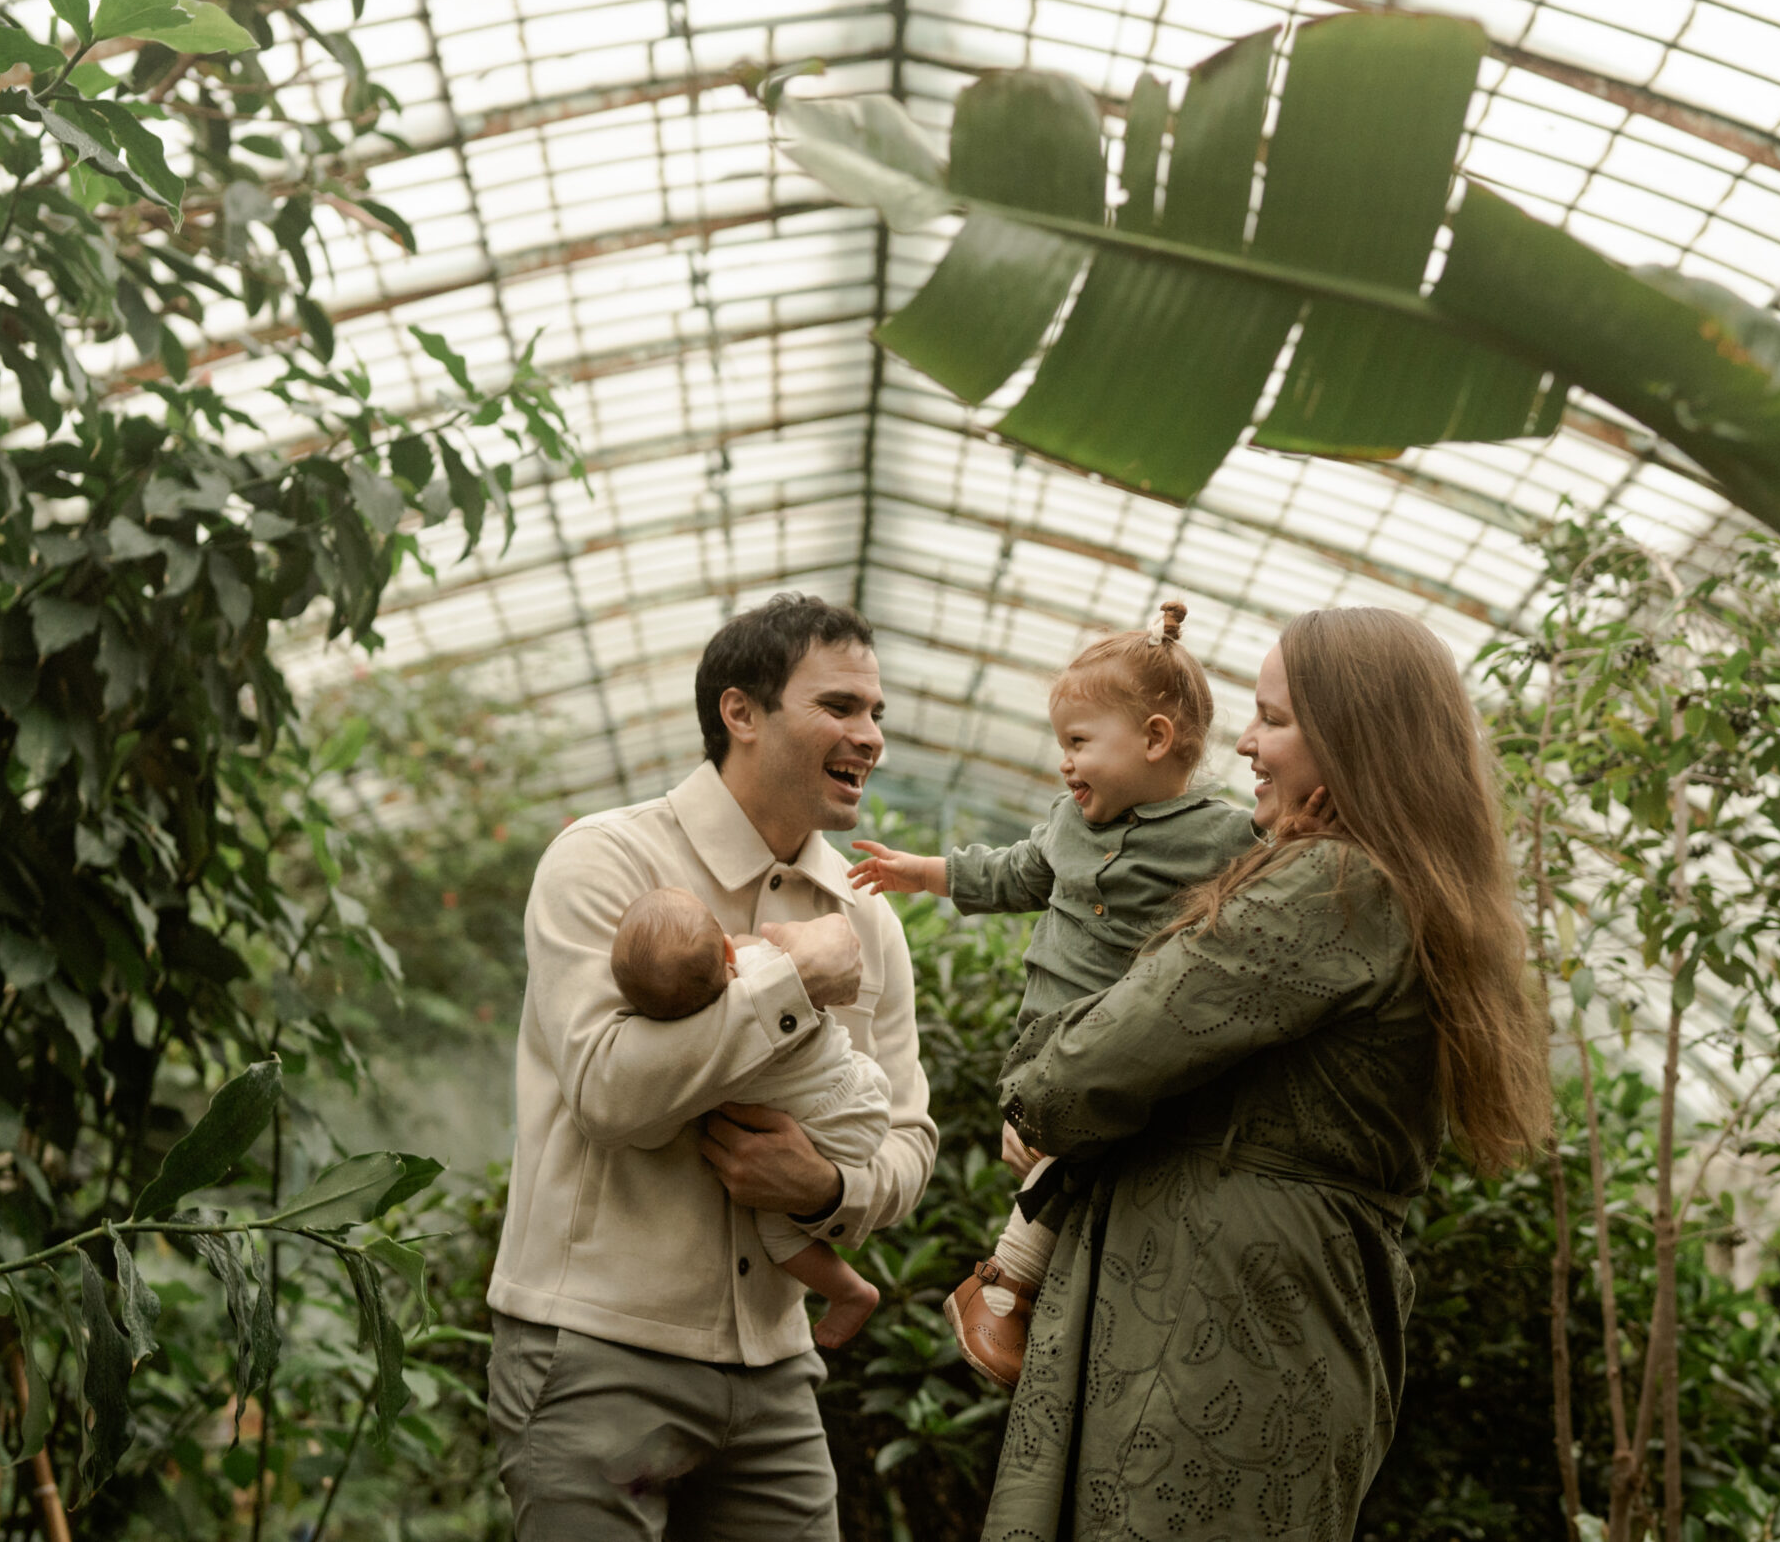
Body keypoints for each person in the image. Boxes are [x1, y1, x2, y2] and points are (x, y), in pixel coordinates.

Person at [979, 607, 1555, 1542]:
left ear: (1354, 738)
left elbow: (1070, 1077)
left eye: (1273, 719)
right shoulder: (1398, 888)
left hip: (1210, 1322)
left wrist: (1040, 1075)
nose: (1243, 743)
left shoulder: (1331, 885)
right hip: (1283, 1313)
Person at [487, 594, 936, 1541]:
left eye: (877, 713)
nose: (871, 736)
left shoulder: (870, 921)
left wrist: (828, 1187)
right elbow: (610, 1092)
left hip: (776, 1374)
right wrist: (790, 973)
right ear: (741, 713)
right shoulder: (602, 860)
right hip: (597, 1354)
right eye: (841, 706)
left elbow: (907, 1138)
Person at [844, 602, 1255, 1386]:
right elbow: (1012, 872)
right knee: (1064, 1159)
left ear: (1156, 740)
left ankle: (1008, 1286)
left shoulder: (1224, 835)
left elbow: (1281, 880)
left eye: (1078, 742)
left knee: (1099, 1167)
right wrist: (918, 871)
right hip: (1048, 1044)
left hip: (1130, 1050)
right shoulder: (1069, 822)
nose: (1064, 763)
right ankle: (1006, 1287)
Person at [607, 885, 888, 1348]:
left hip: (830, 1123)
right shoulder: (767, 971)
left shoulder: (692, 1058)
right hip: (857, 1088)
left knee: (775, 1231)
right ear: (725, 947)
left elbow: (651, 1136)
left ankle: (851, 1293)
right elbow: (768, 950)